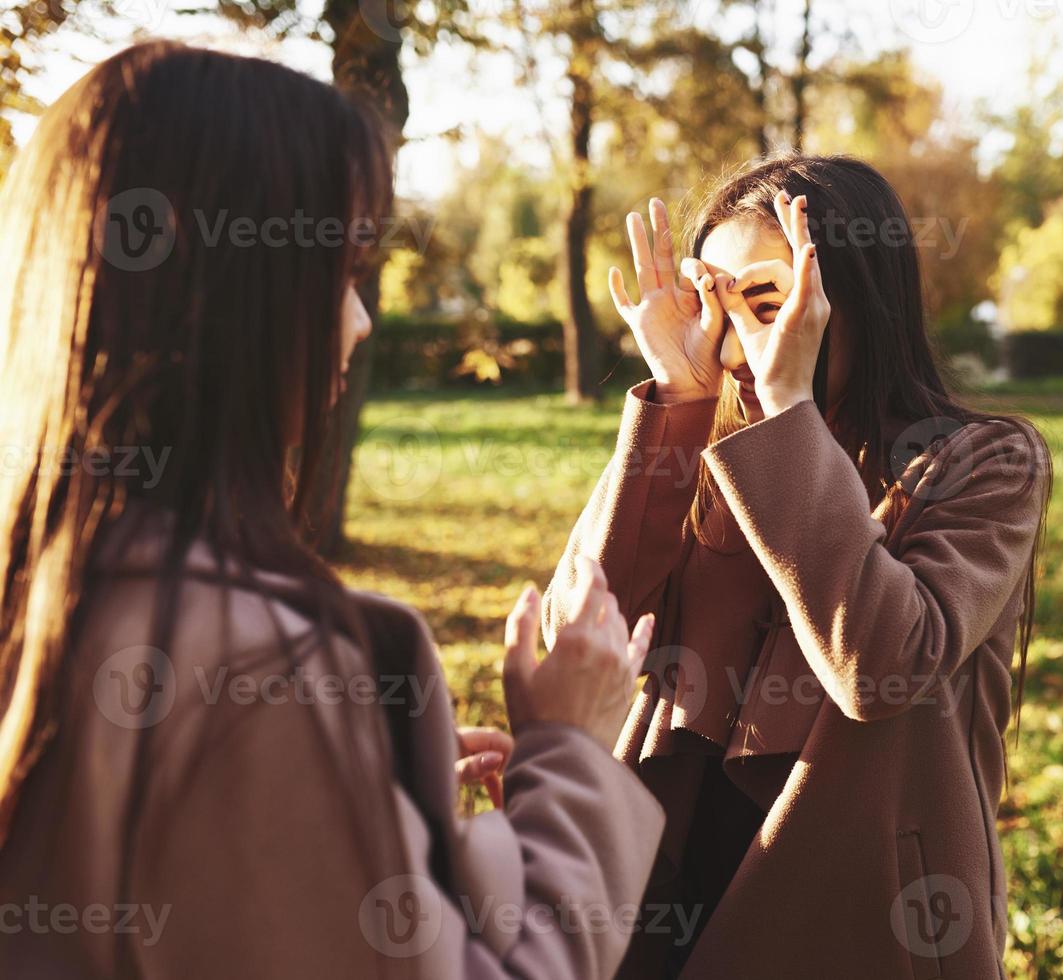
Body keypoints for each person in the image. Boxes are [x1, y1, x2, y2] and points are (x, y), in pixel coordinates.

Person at [0, 42, 662, 980]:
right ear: (228, 293)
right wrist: (571, 752)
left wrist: (395, 812)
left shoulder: (49, 587)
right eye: (343, 270)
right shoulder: (253, 673)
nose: (359, 323)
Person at [545, 156, 1051, 979]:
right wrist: (677, 395)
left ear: (848, 297)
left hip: (867, 929)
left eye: (767, 300)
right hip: (661, 903)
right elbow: (580, 627)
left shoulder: (983, 462)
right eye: (716, 300)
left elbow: (881, 662)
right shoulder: (708, 447)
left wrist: (787, 409)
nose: (739, 334)